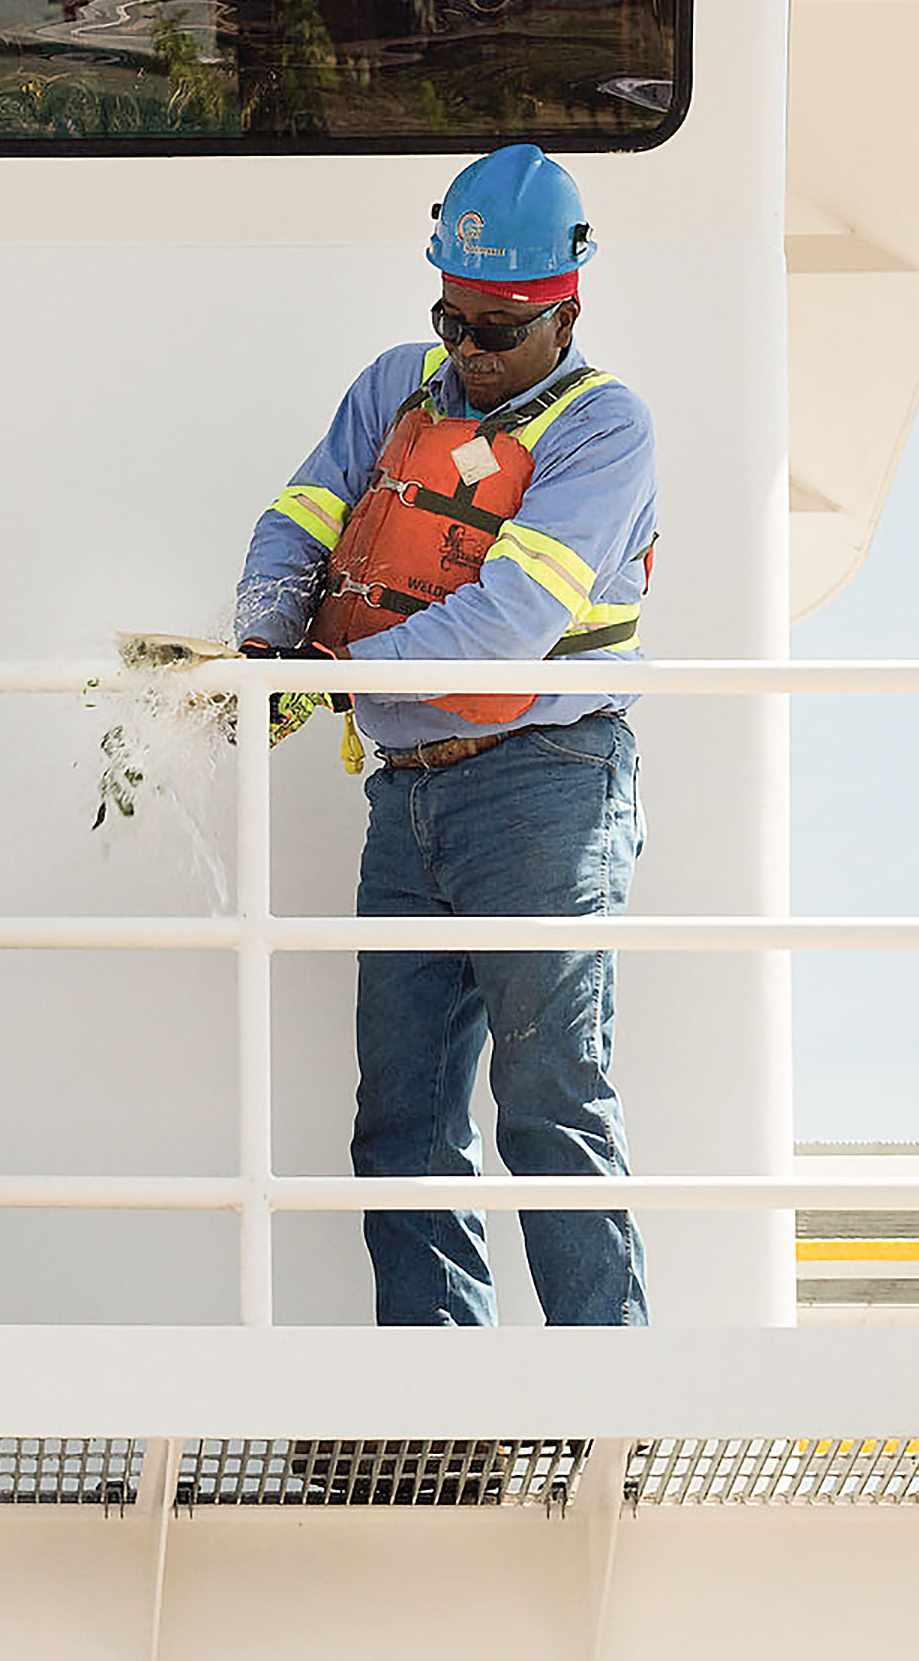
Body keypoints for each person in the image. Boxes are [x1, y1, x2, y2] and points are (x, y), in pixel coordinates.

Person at [234, 144, 656, 1327]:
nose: (469, 351)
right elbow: (300, 516)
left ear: (562, 310)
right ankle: (440, 1418)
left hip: (547, 787)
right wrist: (263, 641)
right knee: (404, 1116)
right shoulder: (393, 387)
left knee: (550, 1101)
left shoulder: (606, 430)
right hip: (406, 799)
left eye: (497, 330)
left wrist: (333, 676)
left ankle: (604, 1412)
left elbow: (510, 620)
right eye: (453, 318)